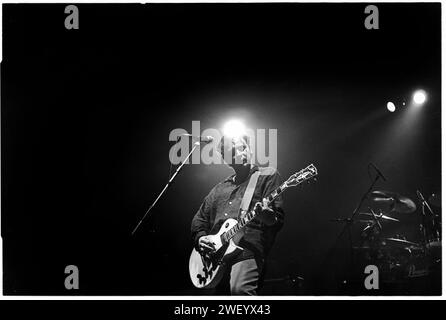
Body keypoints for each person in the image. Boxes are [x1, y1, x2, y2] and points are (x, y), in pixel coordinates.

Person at [190, 134, 284, 295]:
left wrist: (266, 215)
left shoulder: (267, 175)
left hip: (246, 249)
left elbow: (276, 220)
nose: (241, 154)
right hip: (214, 257)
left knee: (240, 291)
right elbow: (199, 219)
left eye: (243, 148)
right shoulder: (220, 188)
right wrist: (201, 237)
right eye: (233, 152)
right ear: (226, 159)